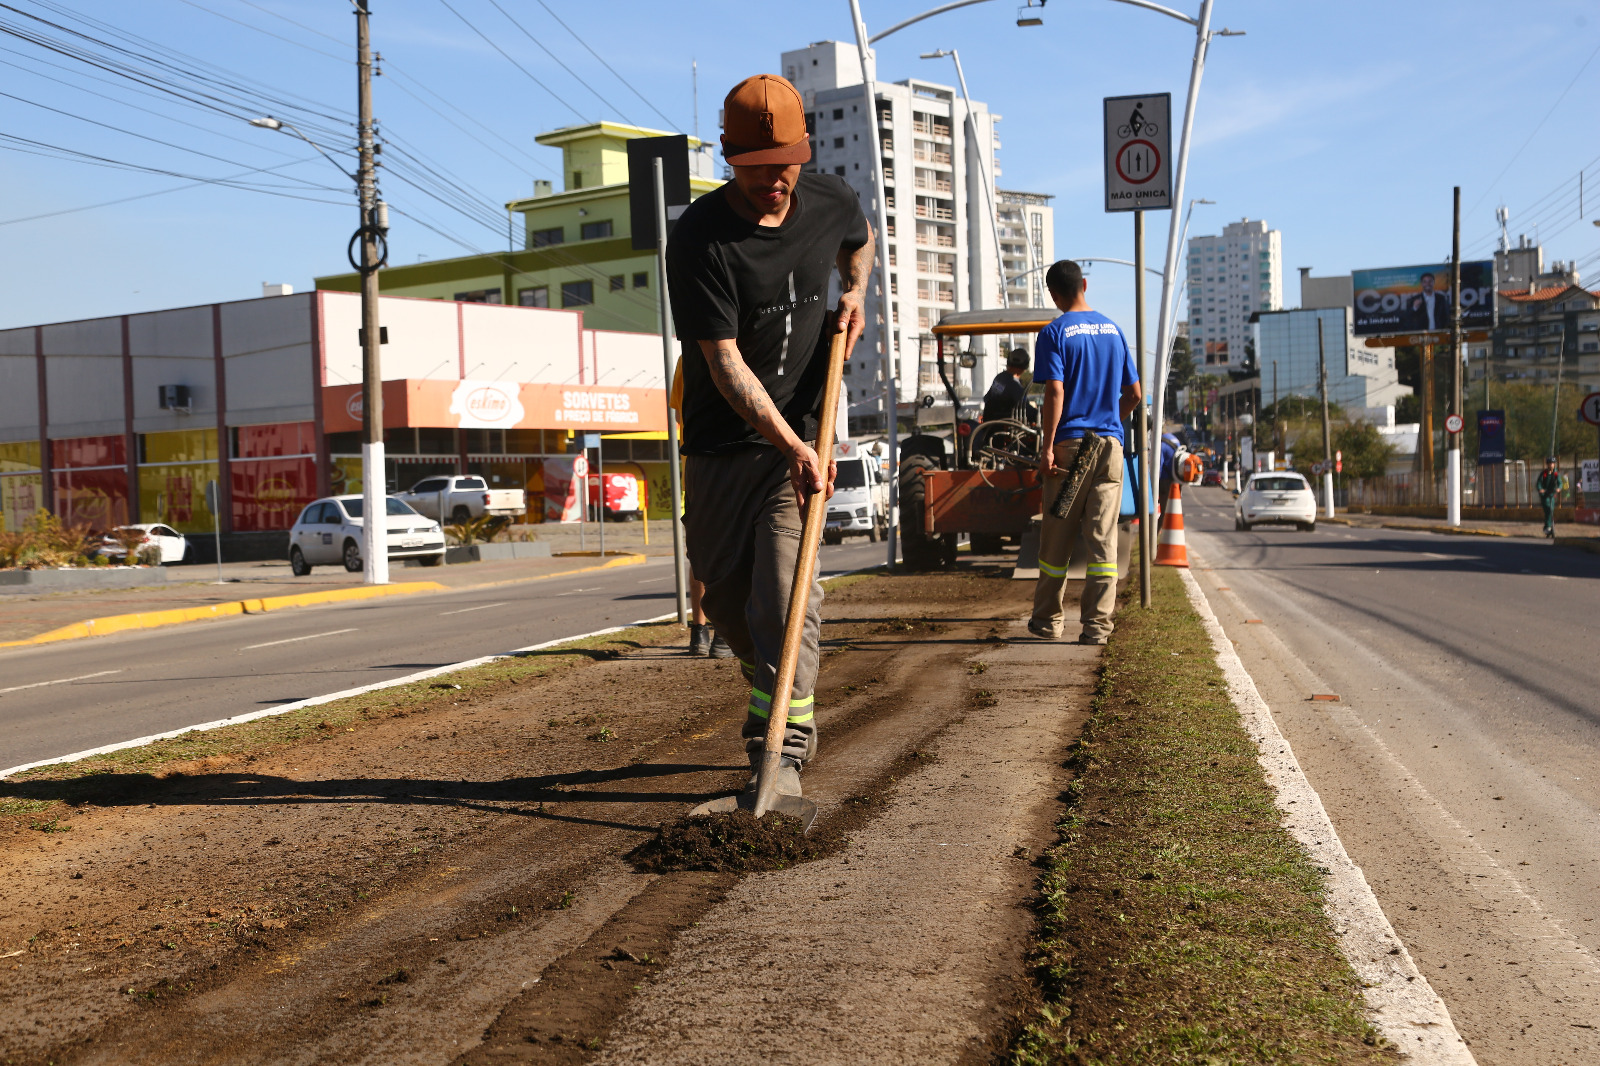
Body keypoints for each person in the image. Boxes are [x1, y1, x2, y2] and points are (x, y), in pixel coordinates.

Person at [667, 73, 872, 799]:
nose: (775, 182)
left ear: (802, 152)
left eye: (785, 165)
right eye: (757, 171)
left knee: (786, 600)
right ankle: (776, 686)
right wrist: (786, 443)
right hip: (726, 446)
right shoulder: (699, 240)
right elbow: (723, 365)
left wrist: (857, 295)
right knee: (725, 603)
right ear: (729, 159)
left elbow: (860, 243)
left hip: (804, 437)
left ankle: (779, 747)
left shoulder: (830, 200)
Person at [1028, 260, 1143, 646]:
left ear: (1053, 293)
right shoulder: (1114, 331)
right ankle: (1097, 627)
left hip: (1071, 451)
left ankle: (1047, 622)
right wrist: (1112, 419)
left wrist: (1046, 448)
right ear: (1085, 285)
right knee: (1102, 538)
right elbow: (1135, 395)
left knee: (1057, 537)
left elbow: (1055, 392)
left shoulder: (1054, 333)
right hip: (1109, 446)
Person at [981, 348, 1032, 423]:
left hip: (990, 425)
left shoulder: (999, 378)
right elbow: (1026, 409)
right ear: (1025, 366)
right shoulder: (1014, 386)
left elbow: (987, 398)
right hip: (1008, 427)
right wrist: (1040, 413)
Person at [1537, 456, 1562, 538]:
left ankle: (1548, 527)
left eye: (1552, 463)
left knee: (1551, 510)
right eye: (1550, 463)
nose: (1551, 465)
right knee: (1548, 509)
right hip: (1545, 495)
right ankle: (1548, 526)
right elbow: (1539, 483)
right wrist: (1541, 489)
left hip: (1552, 494)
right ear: (1547, 464)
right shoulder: (1544, 473)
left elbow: (1560, 483)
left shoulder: (1556, 473)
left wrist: (1559, 488)